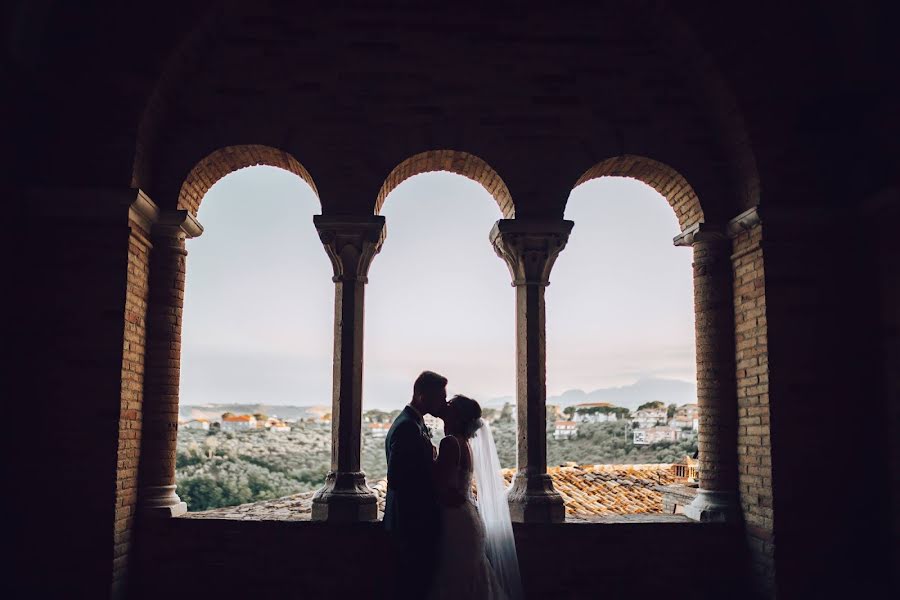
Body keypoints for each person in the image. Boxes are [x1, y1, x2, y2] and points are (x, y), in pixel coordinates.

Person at [428, 395, 523, 600]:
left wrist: (429, 461)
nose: (445, 405)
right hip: (467, 517)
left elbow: (445, 489)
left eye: (450, 405)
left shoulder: (450, 443)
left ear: (457, 416)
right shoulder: (464, 443)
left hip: (455, 519)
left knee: (456, 578)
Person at [384, 371, 448, 600]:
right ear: (422, 396)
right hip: (410, 521)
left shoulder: (414, 422)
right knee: (412, 584)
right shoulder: (407, 427)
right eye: (440, 397)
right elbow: (397, 478)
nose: (443, 402)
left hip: (413, 520)